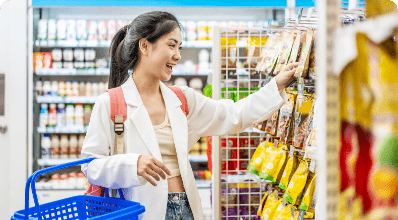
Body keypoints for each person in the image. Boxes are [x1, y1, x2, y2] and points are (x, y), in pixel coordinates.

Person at [81, 11, 299, 220]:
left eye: (180, 47)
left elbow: (233, 115)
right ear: (145, 46)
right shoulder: (110, 103)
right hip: (140, 211)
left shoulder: (182, 99)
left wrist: (276, 85)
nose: (177, 55)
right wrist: (132, 164)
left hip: (186, 208)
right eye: (171, 45)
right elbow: (91, 166)